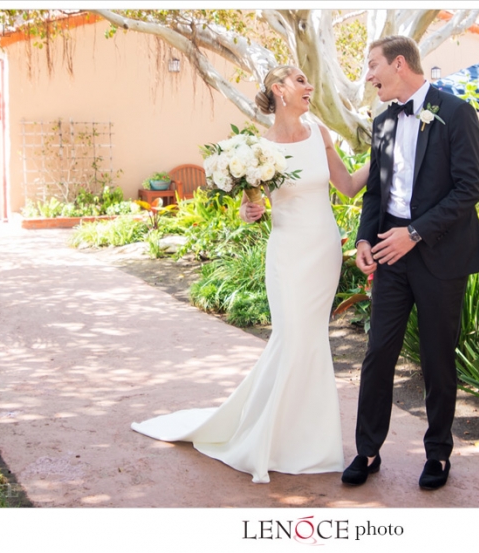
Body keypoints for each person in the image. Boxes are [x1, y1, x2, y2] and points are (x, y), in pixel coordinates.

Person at [131, 65, 369, 484]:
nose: (309, 85)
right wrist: (249, 210)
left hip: (324, 249)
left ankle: (310, 443)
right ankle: (267, 438)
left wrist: (386, 155)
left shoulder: (320, 133)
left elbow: (348, 186)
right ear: (278, 89)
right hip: (288, 251)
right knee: (292, 336)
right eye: (300, 80)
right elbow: (250, 208)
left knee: (311, 340)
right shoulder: (258, 148)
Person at [341, 36, 479, 489]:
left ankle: (438, 455)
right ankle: (367, 451)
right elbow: (375, 193)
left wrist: (416, 233)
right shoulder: (383, 121)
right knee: (377, 353)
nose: (368, 76)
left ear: (399, 64)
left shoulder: (456, 112)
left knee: (438, 358)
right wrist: (366, 239)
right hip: (390, 253)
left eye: (373, 66)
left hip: (440, 255)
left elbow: (468, 189)